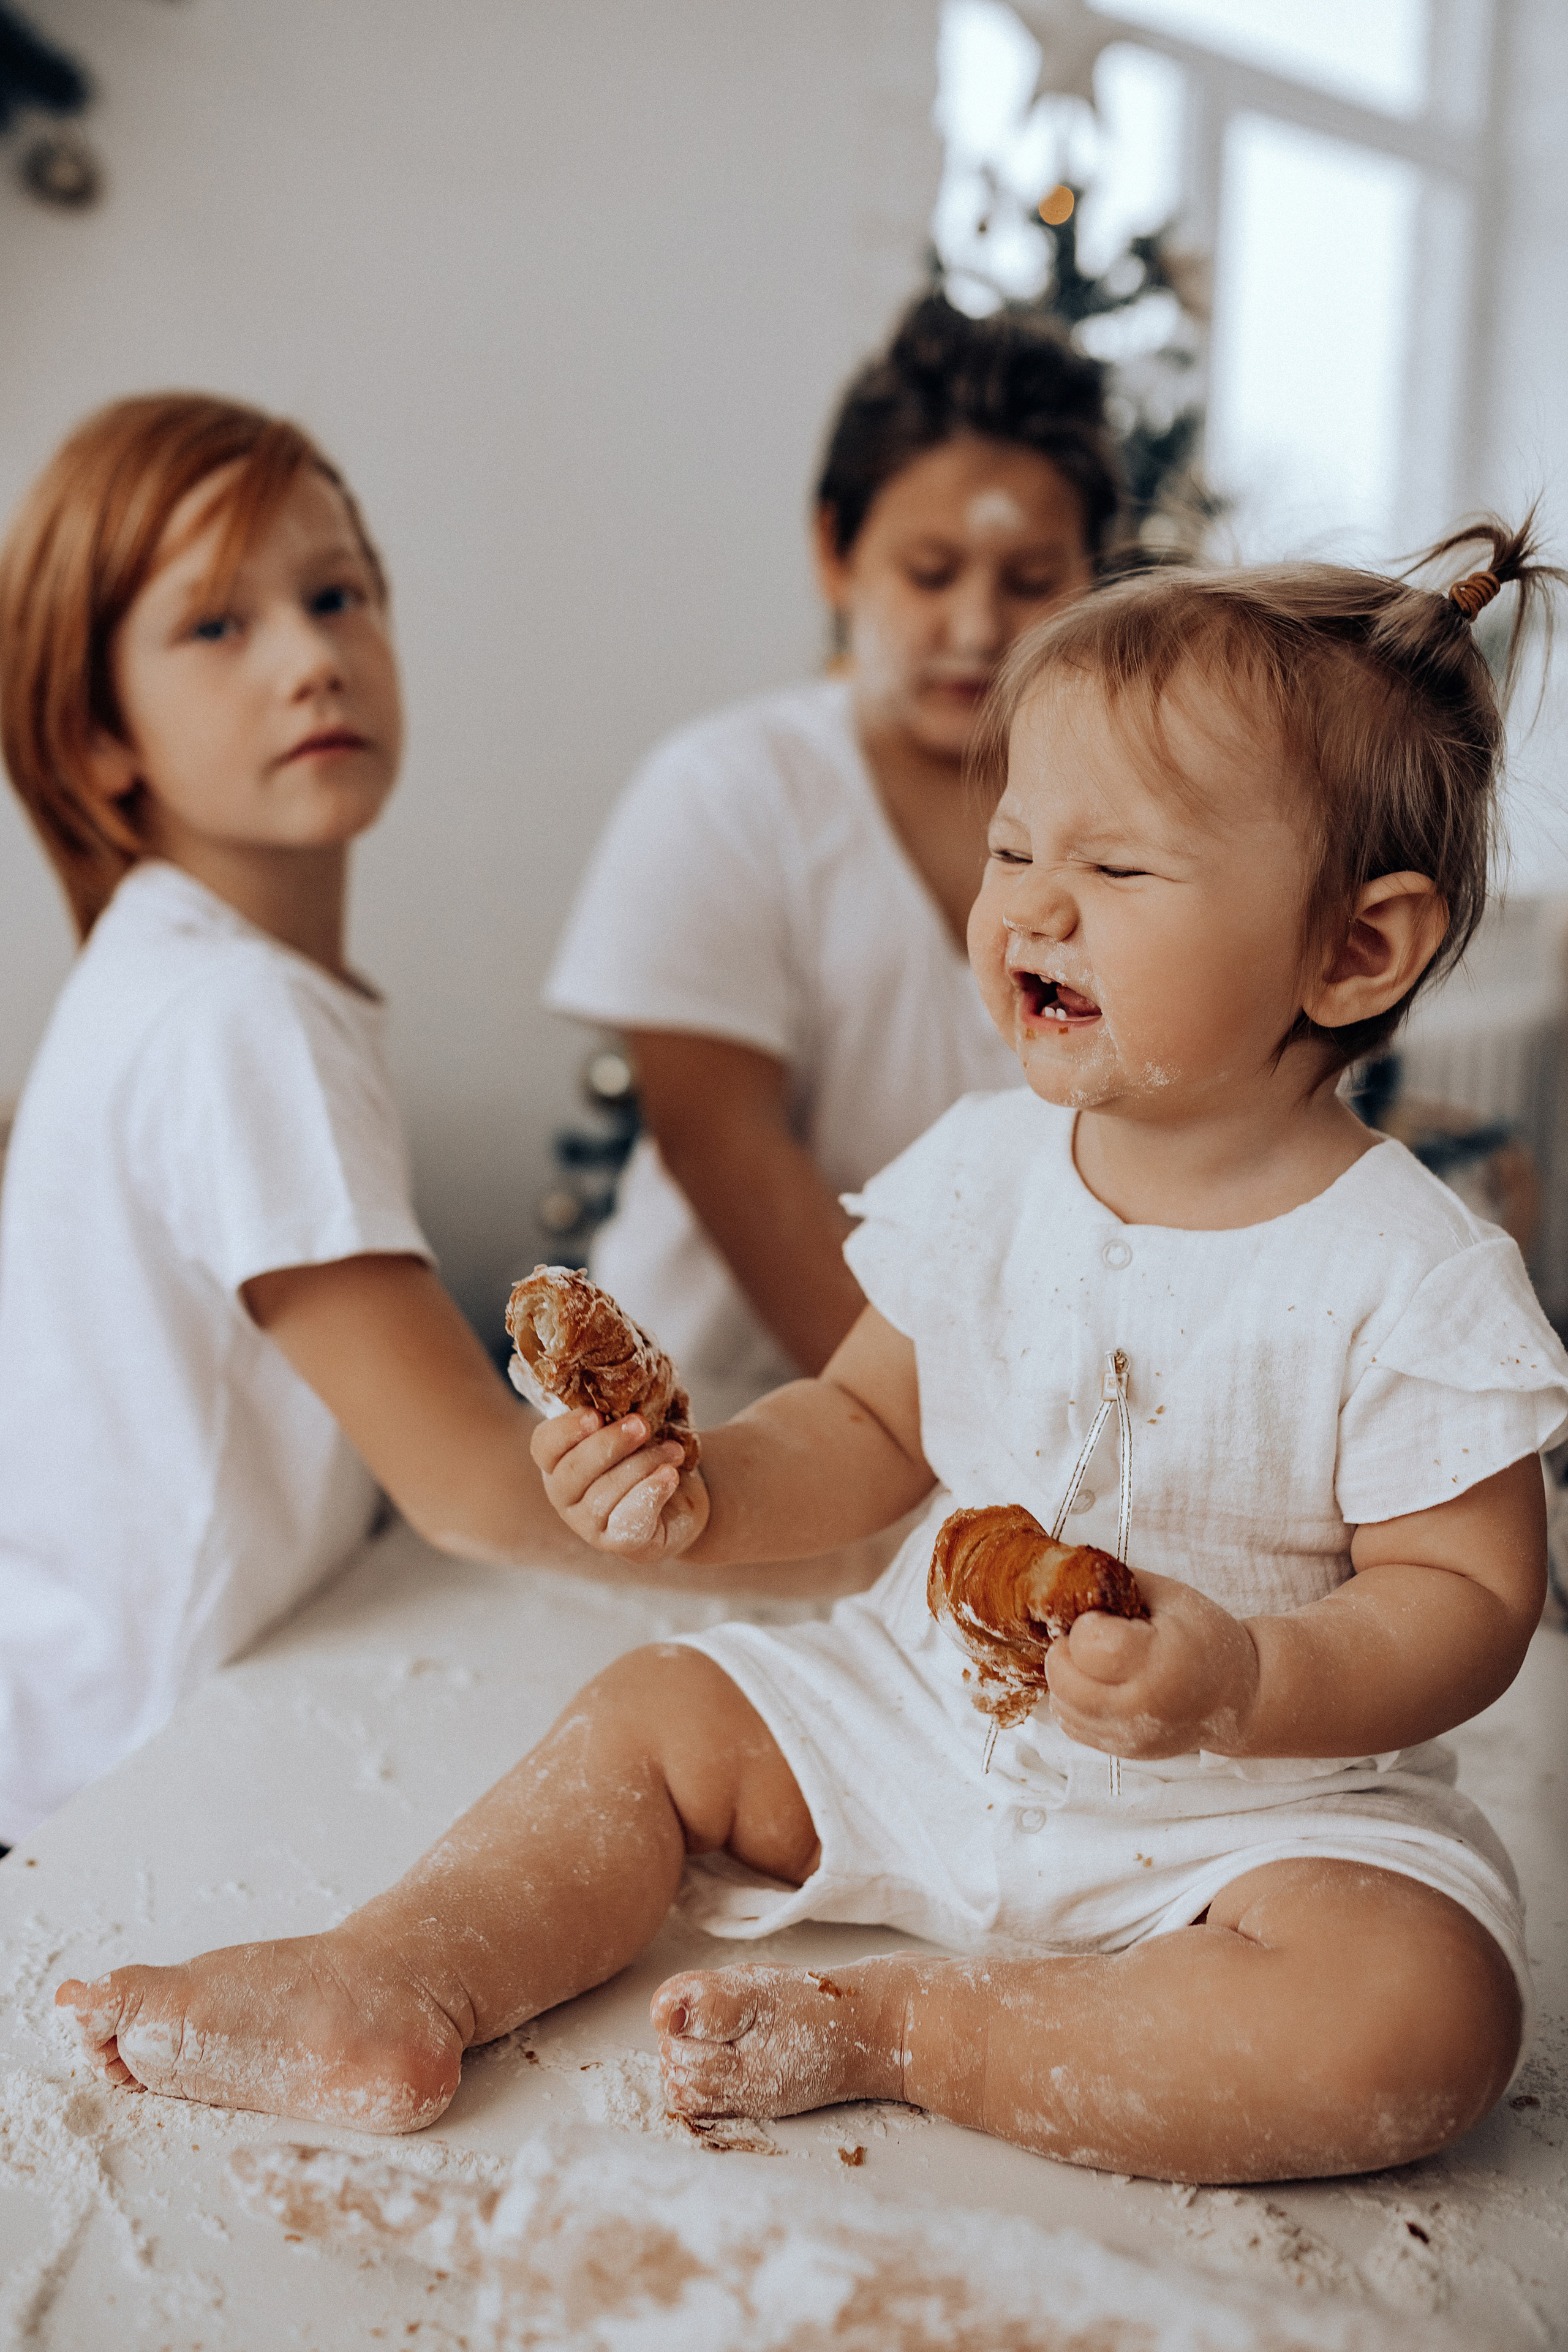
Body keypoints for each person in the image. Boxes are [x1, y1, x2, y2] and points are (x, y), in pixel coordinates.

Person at [57, 521, 1567, 2187]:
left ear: (1356, 949)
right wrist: (706, 1492)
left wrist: (1255, 1682)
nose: (1033, 908)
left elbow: (1470, 1601)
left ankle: (917, 2031)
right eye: (1011, 851)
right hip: (925, 1721)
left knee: (1420, 2020)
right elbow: (863, 1422)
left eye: (1118, 871)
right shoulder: (986, 1172)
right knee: (655, 1714)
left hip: (1250, 1815)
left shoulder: (1411, 1277)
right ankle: (397, 1972)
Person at [0, 395, 616, 1849]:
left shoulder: (187, 970)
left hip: (73, 1720)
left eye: (337, 594)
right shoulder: (236, 1018)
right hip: (138, 1777)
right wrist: (857, 1531)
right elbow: (472, 1484)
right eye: (217, 627)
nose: (312, 658)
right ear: (98, 741)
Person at [545, 293, 1117, 1426]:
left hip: (1018, 1442)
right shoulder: (724, 795)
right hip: (710, 1434)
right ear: (833, 552)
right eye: (929, 570)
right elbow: (727, 1151)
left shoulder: (1131, 833)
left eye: (1030, 578)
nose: (976, 626)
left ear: (1095, 579)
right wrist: (968, 1453)